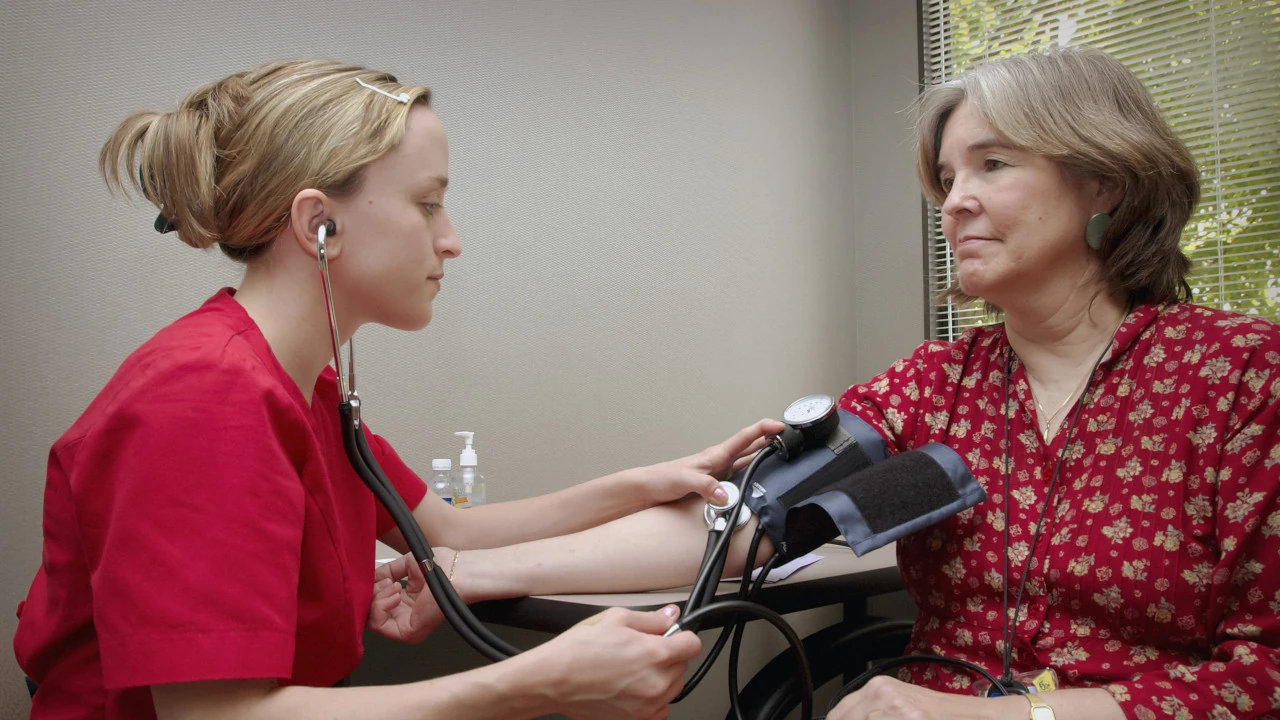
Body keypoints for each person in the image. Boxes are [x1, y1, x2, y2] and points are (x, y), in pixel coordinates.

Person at [13, 60, 783, 720]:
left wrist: (643, 482)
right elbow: (217, 714)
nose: (451, 238)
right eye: (426, 203)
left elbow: (450, 533)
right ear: (320, 225)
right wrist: (539, 680)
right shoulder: (204, 397)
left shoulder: (290, 384)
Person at [826, 46, 1280, 720]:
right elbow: (766, 522)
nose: (955, 203)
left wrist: (990, 717)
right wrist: (616, 498)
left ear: (1104, 182)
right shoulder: (939, 386)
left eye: (993, 165)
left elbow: (1265, 676)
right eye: (947, 179)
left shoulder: (1242, 375)